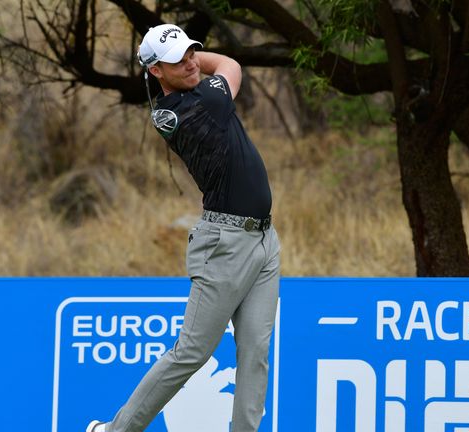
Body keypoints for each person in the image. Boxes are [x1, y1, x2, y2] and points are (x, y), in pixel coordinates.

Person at [87, 24, 280, 432]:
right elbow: (229, 63)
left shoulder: (194, 93)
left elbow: (210, 66)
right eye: (178, 59)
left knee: (256, 351)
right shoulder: (190, 108)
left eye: (193, 52)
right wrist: (202, 63)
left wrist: (187, 58)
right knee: (192, 351)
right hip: (223, 244)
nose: (192, 61)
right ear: (156, 71)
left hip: (265, 239)